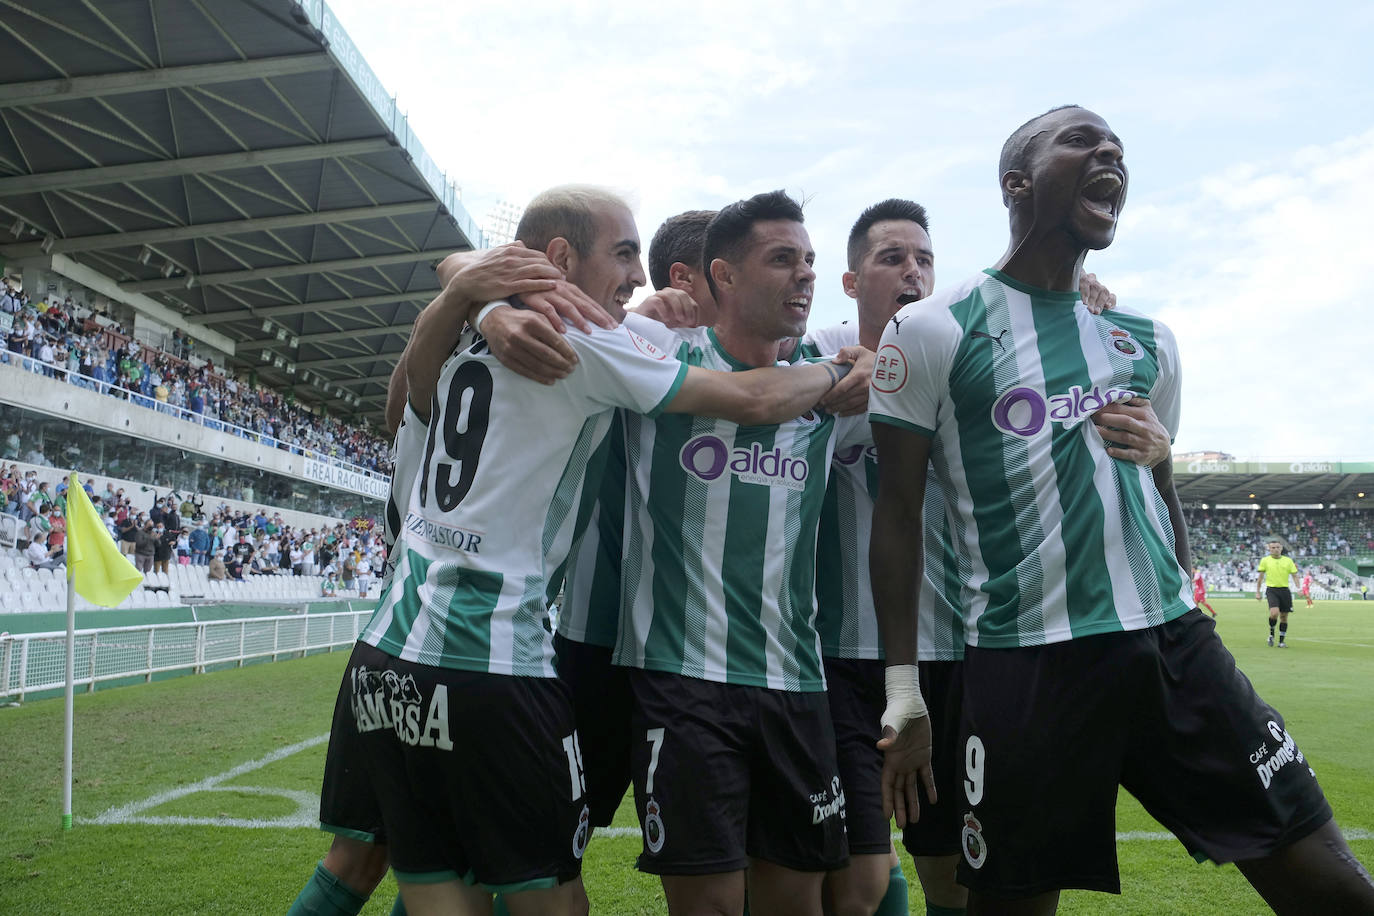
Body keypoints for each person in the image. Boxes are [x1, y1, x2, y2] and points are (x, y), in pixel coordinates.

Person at [868, 106, 1374, 914]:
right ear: (1017, 182)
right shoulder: (932, 331)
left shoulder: (1147, 340)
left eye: (1118, 149)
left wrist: (1164, 466)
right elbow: (894, 515)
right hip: (1026, 660)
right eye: (1081, 140)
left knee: (1332, 884)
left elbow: (1161, 499)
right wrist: (905, 692)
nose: (1109, 152)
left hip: (1173, 646)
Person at [309, 185, 866, 916]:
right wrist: (831, 374)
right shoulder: (587, 341)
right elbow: (753, 402)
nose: (640, 277)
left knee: (414, 874)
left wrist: (473, 302)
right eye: (626, 254)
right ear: (562, 258)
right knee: (553, 898)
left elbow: (403, 400)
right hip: (497, 656)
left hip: (387, 652)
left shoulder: (447, 347)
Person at [611, 191, 875, 916]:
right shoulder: (657, 355)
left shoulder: (841, 384)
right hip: (683, 678)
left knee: (799, 905)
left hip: (798, 683)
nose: (805, 277)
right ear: (722, 277)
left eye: (810, 262)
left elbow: (906, 327)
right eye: (782, 260)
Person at [1258, 540, 1302, 648]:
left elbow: (1295, 575)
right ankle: (1271, 634)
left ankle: (1281, 642)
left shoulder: (1288, 561)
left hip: (1285, 590)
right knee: (1274, 613)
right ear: (1269, 549)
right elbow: (1260, 578)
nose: (1275, 549)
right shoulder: (1265, 560)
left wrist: (1299, 588)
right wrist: (1257, 592)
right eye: (1273, 547)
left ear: (1281, 548)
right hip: (1272, 590)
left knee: (1284, 617)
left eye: (1277, 547)